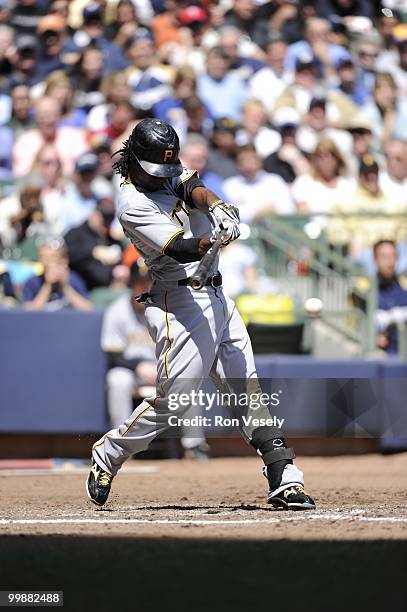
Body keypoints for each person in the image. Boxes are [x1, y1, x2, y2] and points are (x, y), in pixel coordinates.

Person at [86, 117, 315, 510]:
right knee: (174, 403)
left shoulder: (163, 167)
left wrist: (219, 206)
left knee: (247, 387)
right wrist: (216, 237)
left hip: (216, 294)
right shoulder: (131, 204)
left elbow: (191, 187)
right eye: (156, 167)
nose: (164, 173)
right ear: (136, 160)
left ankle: (284, 474)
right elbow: (180, 248)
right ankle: (109, 452)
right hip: (180, 302)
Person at [101, 259, 210, 459]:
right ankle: (121, 447)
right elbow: (112, 354)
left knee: (188, 377)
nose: (144, 287)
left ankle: (194, 446)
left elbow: (183, 348)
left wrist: (166, 368)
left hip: (164, 368)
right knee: (117, 379)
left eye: (148, 282)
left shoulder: (169, 309)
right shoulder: (117, 311)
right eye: (138, 282)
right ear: (130, 284)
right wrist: (138, 367)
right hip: (133, 371)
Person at [223, 144, 295, 223]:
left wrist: (272, 210)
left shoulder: (275, 181)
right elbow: (228, 216)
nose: (248, 165)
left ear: (259, 162)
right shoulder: (230, 186)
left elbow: (288, 209)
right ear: (237, 164)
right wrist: (256, 214)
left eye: (251, 160)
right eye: (243, 161)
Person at [64, 196, 124, 290]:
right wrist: (93, 252)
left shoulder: (110, 238)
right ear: (94, 213)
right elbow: (66, 255)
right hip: (83, 290)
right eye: (104, 217)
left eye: (109, 218)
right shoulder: (75, 234)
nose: (106, 222)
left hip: (109, 289)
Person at [22, 238, 92, 311]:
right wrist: (48, 286)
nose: (47, 262)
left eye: (52, 257)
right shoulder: (32, 282)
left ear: (64, 260)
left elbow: (87, 309)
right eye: (43, 257)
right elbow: (30, 312)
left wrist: (65, 287)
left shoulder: (74, 279)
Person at [373, 240, 407, 355]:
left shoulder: (405, 286)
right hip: (378, 359)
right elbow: (354, 325)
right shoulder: (364, 290)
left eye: (393, 256)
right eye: (384, 256)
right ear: (375, 260)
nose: (389, 261)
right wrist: (373, 337)